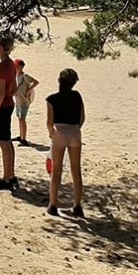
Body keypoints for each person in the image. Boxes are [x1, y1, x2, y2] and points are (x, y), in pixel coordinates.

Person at [46, 69, 85, 217]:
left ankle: (53, 204)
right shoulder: (77, 96)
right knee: (76, 169)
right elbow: (82, 117)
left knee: (57, 169)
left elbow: (49, 122)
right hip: (74, 131)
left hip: (59, 131)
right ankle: (77, 205)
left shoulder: (52, 99)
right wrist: (75, 129)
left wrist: (51, 133)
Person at [0, 37, 19, 191]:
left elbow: (1, 91)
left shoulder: (3, 66)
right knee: (7, 141)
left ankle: (7, 178)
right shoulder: (11, 64)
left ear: (1, 47)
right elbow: (14, 87)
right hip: (9, 104)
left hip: (3, 106)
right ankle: (11, 175)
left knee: (3, 142)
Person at [14, 59, 39, 146]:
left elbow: (36, 82)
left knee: (22, 118)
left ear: (20, 66)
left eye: (16, 66)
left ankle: (23, 139)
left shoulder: (25, 75)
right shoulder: (16, 75)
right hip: (18, 100)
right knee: (19, 118)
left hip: (24, 100)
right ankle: (21, 136)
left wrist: (29, 90)